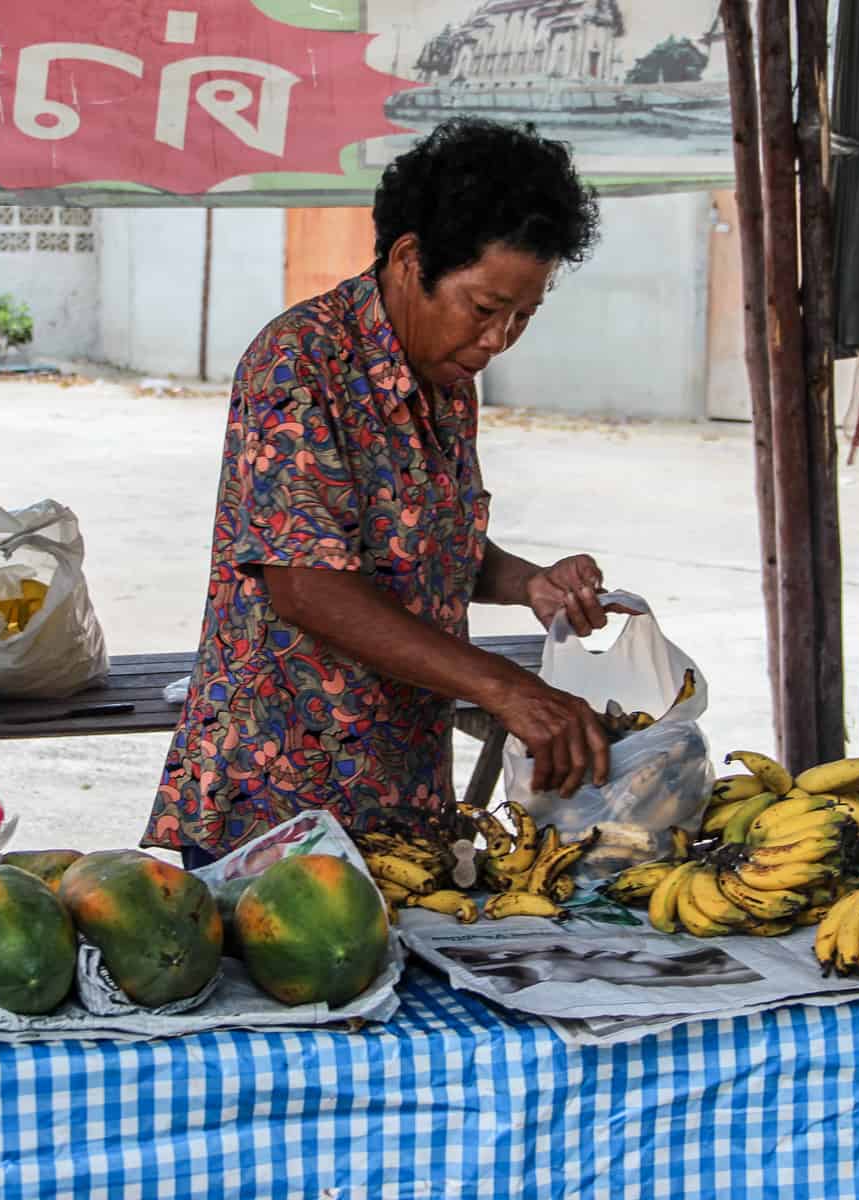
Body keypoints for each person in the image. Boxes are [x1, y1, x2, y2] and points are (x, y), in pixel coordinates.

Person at [143, 118, 625, 868]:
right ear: (410, 259)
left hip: (402, 799)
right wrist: (506, 687)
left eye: (523, 316)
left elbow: (428, 545)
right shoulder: (298, 362)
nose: (500, 339)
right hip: (276, 806)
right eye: (485, 307)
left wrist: (529, 583)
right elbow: (306, 583)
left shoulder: (447, 379)